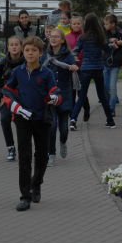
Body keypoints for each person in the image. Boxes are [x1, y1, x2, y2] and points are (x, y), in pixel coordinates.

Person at [3, 36, 62, 211]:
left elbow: (56, 94)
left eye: (34, 50)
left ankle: (36, 183)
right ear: (23, 51)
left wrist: (53, 99)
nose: (30, 53)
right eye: (27, 50)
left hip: (42, 119)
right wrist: (15, 106)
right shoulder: (18, 72)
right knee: (25, 156)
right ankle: (25, 196)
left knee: (42, 156)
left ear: (40, 53)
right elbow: (7, 91)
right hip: (23, 119)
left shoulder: (47, 73)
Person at [69, 13, 115, 130]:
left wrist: (73, 57)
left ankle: (73, 120)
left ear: (86, 24)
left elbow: (76, 51)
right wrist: (112, 46)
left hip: (85, 69)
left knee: (82, 96)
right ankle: (110, 120)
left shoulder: (82, 37)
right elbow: (107, 50)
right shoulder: (100, 37)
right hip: (98, 69)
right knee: (102, 96)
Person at [42, 28, 77, 166]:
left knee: (63, 129)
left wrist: (73, 68)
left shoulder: (68, 56)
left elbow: (73, 69)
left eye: (56, 36)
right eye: (51, 36)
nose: (53, 38)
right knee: (52, 126)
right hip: (50, 96)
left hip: (64, 95)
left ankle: (63, 142)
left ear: (62, 40)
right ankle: (51, 154)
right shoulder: (45, 56)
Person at [0, 35, 25, 162]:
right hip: (7, 98)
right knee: (5, 119)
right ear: (8, 47)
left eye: (17, 44)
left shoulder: (26, 61)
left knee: (22, 123)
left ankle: (24, 148)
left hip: (23, 98)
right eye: (11, 45)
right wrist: (2, 93)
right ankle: (10, 148)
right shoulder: (4, 62)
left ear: (21, 47)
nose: (14, 47)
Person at [66, 14, 90, 117]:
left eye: (78, 23)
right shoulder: (67, 37)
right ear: (70, 25)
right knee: (71, 92)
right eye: (74, 24)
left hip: (83, 67)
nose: (76, 25)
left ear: (82, 24)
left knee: (81, 91)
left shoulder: (85, 36)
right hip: (70, 68)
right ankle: (72, 115)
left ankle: (86, 108)